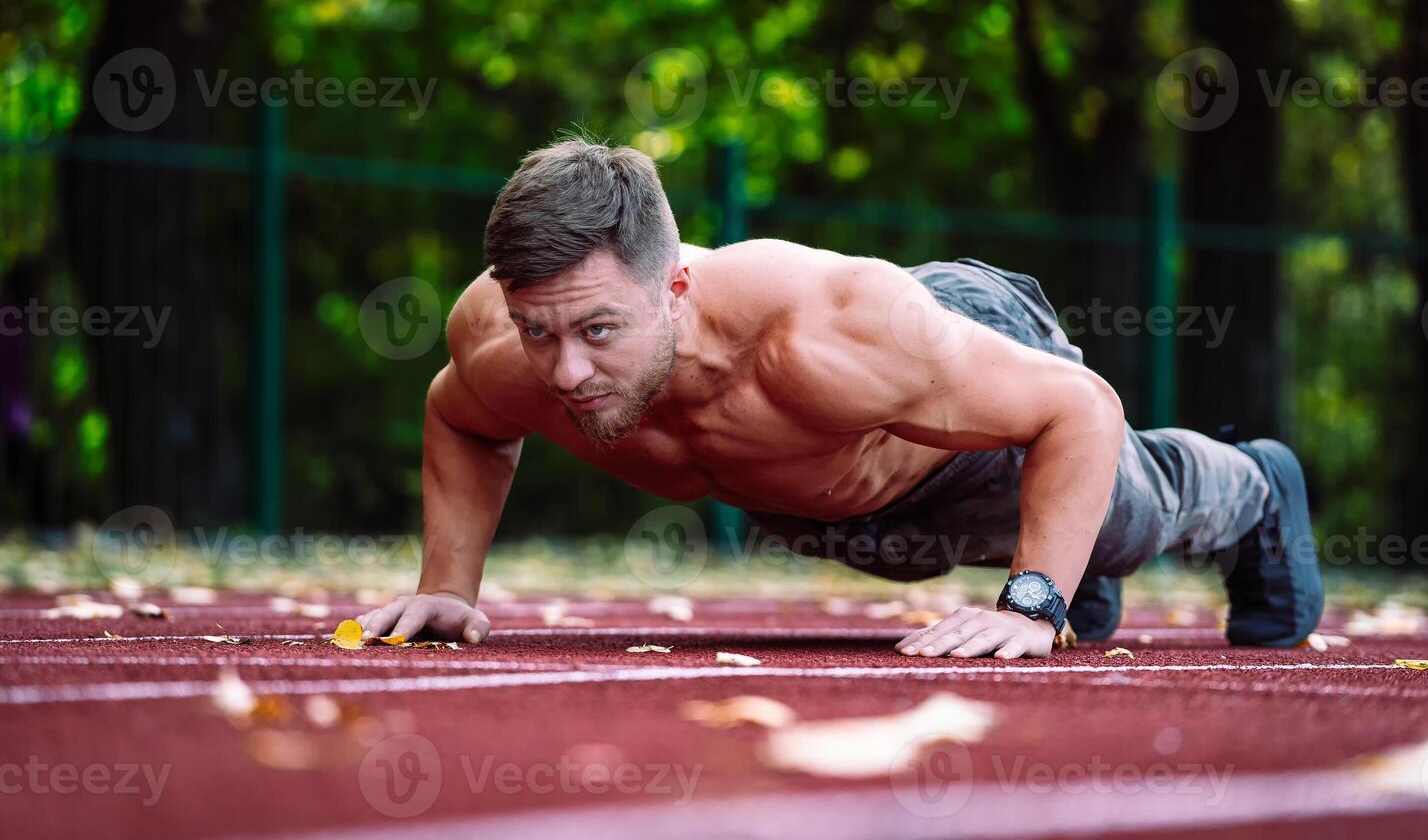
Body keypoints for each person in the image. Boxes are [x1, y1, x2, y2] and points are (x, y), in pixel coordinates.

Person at [358, 136, 1323, 659]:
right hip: (837, 498)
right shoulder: (507, 344)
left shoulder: (827, 337)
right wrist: (449, 585)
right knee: (938, 548)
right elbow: (461, 420)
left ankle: (1259, 491)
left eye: (598, 331)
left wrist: (1032, 603)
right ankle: (1070, 558)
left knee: (1129, 509)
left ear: (675, 288)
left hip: (958, 407)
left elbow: (1079, 408)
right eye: (542, 333)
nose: (564, 372)